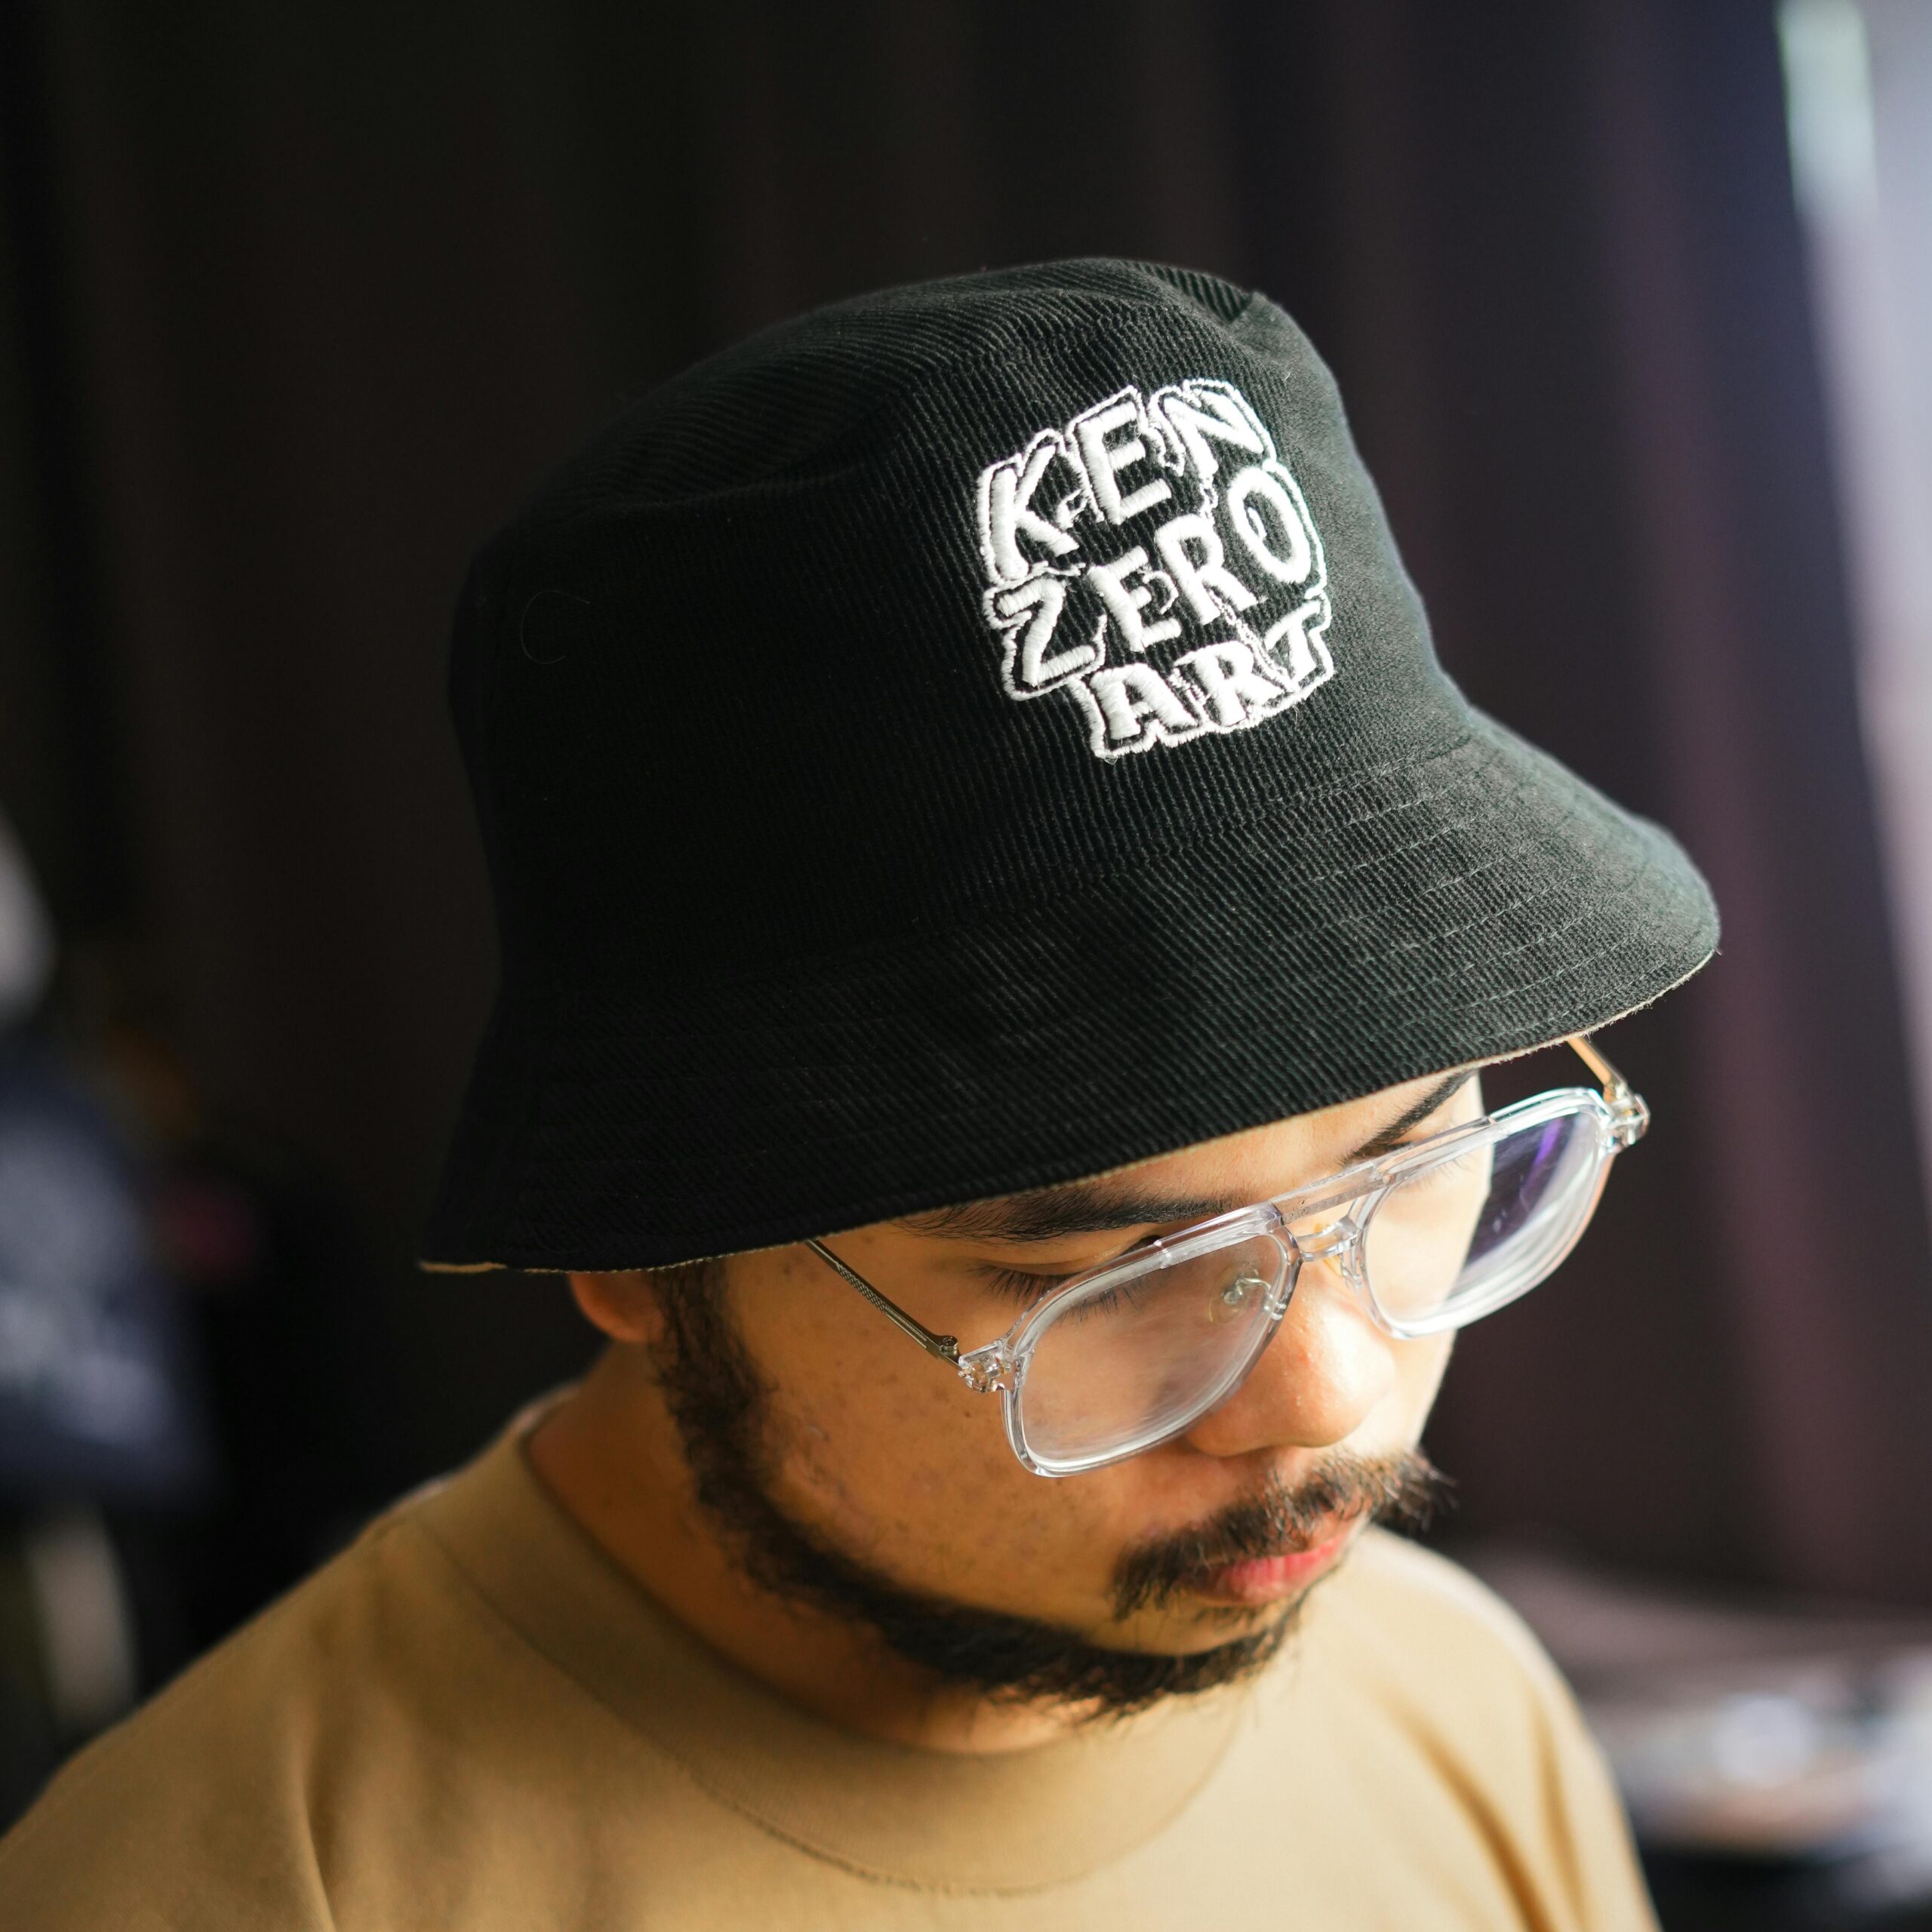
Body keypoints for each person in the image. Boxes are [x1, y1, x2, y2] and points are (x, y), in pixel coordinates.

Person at [0, 260, 1716, 1929]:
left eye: (1407, 1168)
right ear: (643, 1251)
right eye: (1102, 1274)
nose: (1324, 1395)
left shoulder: (1450, 1698)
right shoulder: (239, 1882)